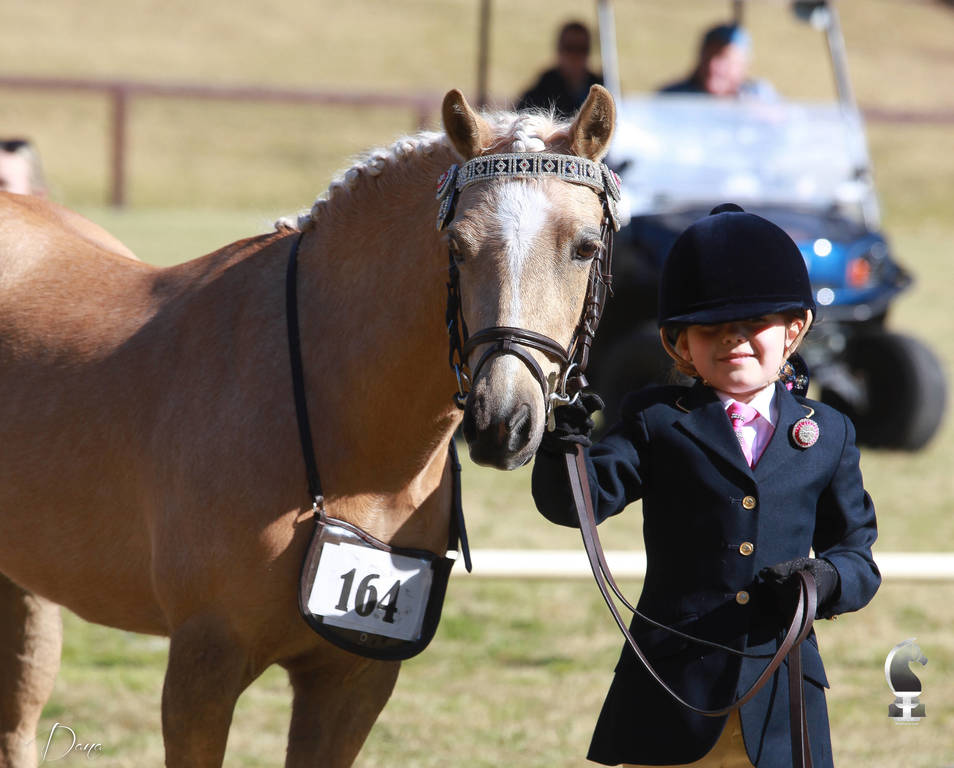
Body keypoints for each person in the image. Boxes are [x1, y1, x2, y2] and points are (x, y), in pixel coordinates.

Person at [531, 203, 880, 767]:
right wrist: (562, 444)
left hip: (780, 698)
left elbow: (859, 557)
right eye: (711, 329)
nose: (734, 340)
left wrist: (825, 580)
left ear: (794, 330)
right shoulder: (656, 420)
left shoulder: (830, 433)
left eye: (754, 325)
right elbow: (576, 505)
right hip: (672, 691)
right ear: (679, 345)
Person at [658, 23, 775, 99]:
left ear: (744, 64)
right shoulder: (674, 98)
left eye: (724, 58)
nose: (712, 65)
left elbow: (784, 125)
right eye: (707, 56)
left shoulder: (758, 95)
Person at [517, 21, 603, 118]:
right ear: (558, 49)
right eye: (569, 48)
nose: (575, 56)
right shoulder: (540, 93)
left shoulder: (601, 88)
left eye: (581, 49)